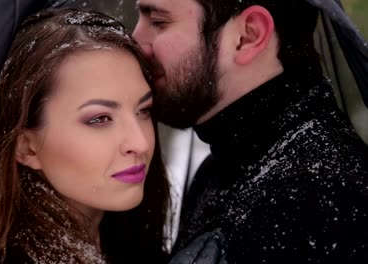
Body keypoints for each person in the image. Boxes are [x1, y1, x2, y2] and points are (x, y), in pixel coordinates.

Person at [133, 0, 368, 263]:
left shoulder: (321, 197)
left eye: (158, 22)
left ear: (248, 36)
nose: (135, 40)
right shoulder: (223, 167)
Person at [0, 8, 171, 264]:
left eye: (143, 110)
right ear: (26, 147)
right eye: (100, 119)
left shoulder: (127, 243)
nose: (140, 143)